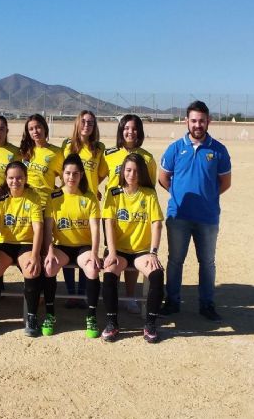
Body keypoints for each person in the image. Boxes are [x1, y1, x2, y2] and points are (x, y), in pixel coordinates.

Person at [158, 100, 232, 322]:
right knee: (175, 261)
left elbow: (225, 183)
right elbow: (163, 178)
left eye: (201, 121)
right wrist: (179, 195)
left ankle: (207, 304)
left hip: (207, 218)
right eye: (193, 120)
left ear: (208, 121)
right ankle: (172, 301)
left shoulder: (218, 150)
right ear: (186, 121)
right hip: (178, 216)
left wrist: (207, 197)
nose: (197, 125)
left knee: (207, 263)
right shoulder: (174, 149)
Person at [102, 153, 165, 343]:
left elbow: (157, 224)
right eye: (128, 170)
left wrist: (153, 252)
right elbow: (108, 223)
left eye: (136, 171)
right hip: (118, 249)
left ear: (142, 173)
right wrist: (112, 252)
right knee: (109, 272)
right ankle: (112, 323)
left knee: (157, 274)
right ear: (123, 171)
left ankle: (150, 324)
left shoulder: (149, 194)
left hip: (141, 251)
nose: (131, 174)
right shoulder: (113, 193)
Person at [42, 154, 101, 337]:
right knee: (49, 267)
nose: (71, 177)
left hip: (83, 247)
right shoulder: (54, 196)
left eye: (75, 173)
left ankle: (91, 316)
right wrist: (49, 251)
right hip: (62, 247)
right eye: (68, 173)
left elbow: (95, 229)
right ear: (62, 174)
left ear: (81, 175)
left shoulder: (89, 197)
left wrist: (94, 252)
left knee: (93, 268)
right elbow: (48, 229)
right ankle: (50, 314)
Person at [104, 114, 157, 315]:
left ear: (140, 132)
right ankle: (113, 297)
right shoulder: (108, 154)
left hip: (135, 213)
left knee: (134, 251)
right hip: (113, 212)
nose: (130, 132)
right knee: (114, 253)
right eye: (126, 128)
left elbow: (149, 187)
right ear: (121, 130)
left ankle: (130, 296)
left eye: (134, 129)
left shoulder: (147, 158)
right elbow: (98, 177)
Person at [0, 161, 43, 336]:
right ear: (6, 178)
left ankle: (32, 317)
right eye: (11, 178)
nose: (15, 181)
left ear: (25, 178)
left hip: (26, 243)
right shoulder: (0, 197)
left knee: (31, 270)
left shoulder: (33, 197)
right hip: (5, 243)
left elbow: (38, 228)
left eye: (19, 178)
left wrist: (35, 255)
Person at [60, 110, 108, 309]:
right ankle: (71, 293)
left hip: (88, 202)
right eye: (83, 121)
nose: (87, 125)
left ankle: (82, 292)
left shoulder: (99, 148)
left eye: (91, 122)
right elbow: (63, 170)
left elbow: (102, 172)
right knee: (67, 239)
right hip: (69, 199)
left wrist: (93, 187)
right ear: (77, 123)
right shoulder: (67, 145)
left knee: (85, 245)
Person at [19, 113, 63, 206]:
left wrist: (57, 194)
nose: (35, 131)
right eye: (31, 129)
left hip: (45, 204)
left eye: (38, 127)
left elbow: (65, 178)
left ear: (45, 128)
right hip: (26, 202)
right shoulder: (25, 150)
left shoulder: (56, 152)